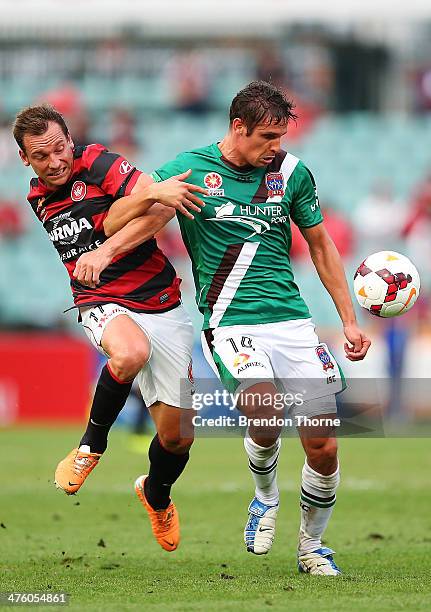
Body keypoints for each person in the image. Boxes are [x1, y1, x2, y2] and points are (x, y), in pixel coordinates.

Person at [73, 82, 371, 575]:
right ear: (238, 127)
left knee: (324, 444)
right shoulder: (191, 170)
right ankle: (265, 499)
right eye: (268, 137)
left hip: (292, 321)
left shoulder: (293, 174)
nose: (276, 147)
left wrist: (348, 321)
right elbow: (128, 217)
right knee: (266, 411)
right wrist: (128, 219)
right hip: (229, 322)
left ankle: (312, 548)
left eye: (281, 136)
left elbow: (319, 245)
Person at [12, 104, 208, 553]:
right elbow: (153, 199)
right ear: (26, 160)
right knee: (129, 353)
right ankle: (90, 445)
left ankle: (155, 494)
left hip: (162, 301)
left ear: (70, 139)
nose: (55, 162)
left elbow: (157, 204)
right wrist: (137, 206)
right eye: (41, 156)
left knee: (177, 438)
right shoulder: (39, 198)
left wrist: (113, 235)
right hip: (100, 299)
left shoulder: (97, 159)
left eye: (60, 148)